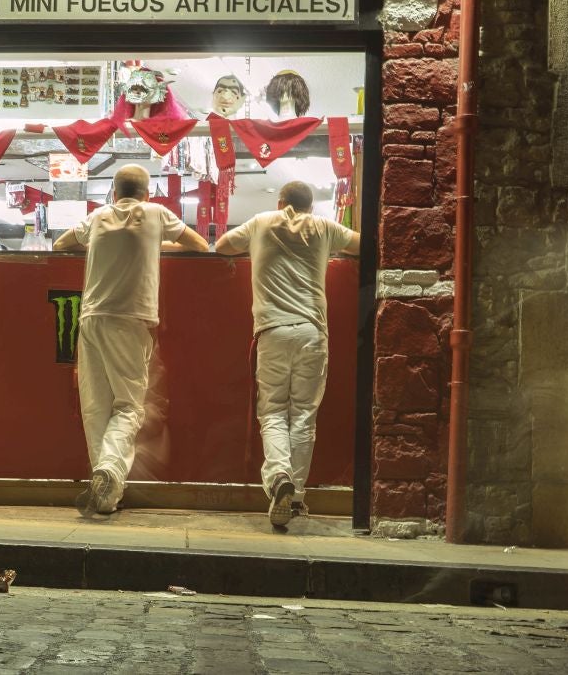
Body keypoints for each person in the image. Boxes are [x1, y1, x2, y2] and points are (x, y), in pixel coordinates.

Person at [54, 164, 209, 515]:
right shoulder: (156, 213)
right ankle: (109, 469)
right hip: (129, 322)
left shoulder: (98, 216)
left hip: (91, 318)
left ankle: (106, 496)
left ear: (113, 192)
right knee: (128, 407)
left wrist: (99, 247)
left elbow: (62, 243)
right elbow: (199, 244)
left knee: (95, 407)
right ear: (147, 193)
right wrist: (153, 245)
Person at [214, 180, 360, 529]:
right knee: (303, 416)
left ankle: (279, 475)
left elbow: (222, 246)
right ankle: (294, 498)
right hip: (312, 332)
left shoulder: (262, 221)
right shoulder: (325, 226)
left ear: (281, 202)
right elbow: (363, 245)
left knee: (274, 412)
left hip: (273, 331)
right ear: (310, 206)